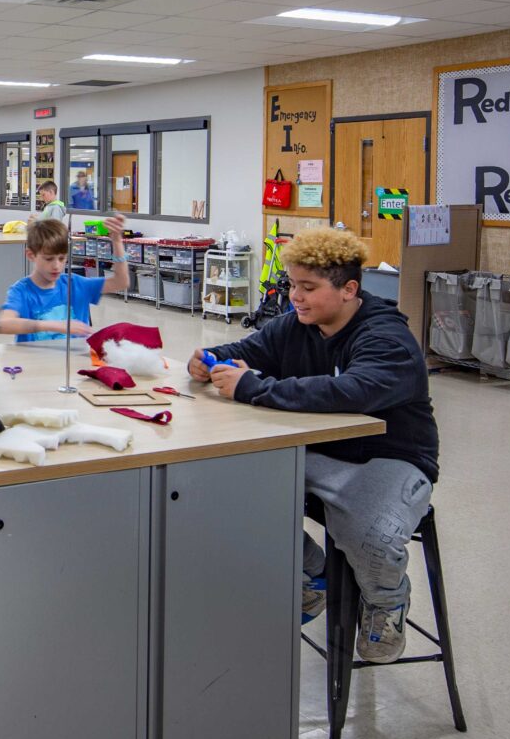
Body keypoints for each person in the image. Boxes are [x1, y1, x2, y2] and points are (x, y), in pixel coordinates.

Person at [188, 228, 439, 663]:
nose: (295, 298)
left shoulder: (386, 338)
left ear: (349, 290)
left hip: (389, 457)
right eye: (291, 287)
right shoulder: (295, 325)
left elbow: (352, 392)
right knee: (221, 484)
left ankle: (385, 601)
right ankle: (315, 576)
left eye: (308, 288)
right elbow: (247, 349)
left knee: (372, 537)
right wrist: (208, 359)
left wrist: (252, 387)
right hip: (321, 452)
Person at [0, 213, 128, 342]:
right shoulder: (22, 290)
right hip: (38, 362)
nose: (56, 266)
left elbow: (121, 282)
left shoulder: (76, 284)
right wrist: (56, 325)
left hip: (75, 360)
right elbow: (5, 323)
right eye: (49, 259)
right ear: (31, 255)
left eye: (62, 258)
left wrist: (117, 241)